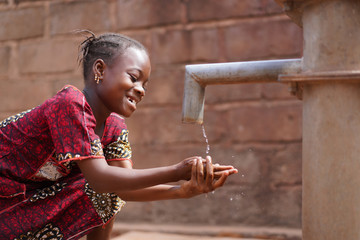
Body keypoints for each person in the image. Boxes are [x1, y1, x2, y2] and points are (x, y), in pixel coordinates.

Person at [0, 31, 238, 240]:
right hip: (7, 195)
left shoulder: (114, 126)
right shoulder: (69, 103)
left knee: (107, 193)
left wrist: (184, 190)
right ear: (100, 69)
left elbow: (123, 187)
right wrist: (178, 171)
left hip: (25, 200)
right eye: (134, 78)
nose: (141, 90)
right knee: (101, 187)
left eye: (145, 84)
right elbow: (102, 180)